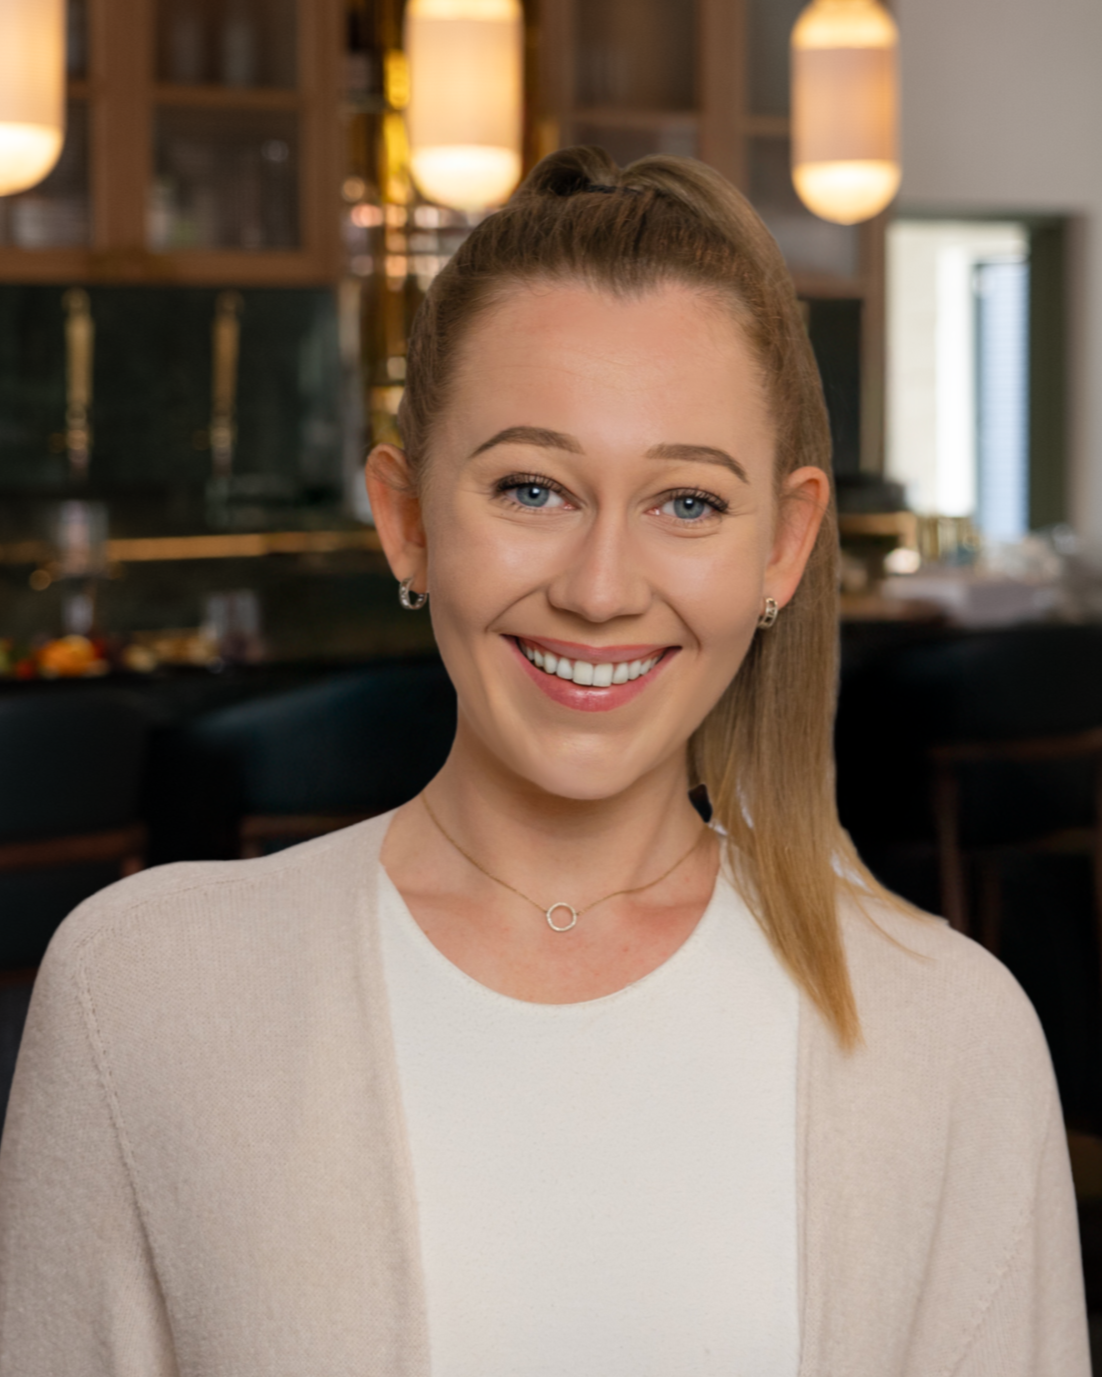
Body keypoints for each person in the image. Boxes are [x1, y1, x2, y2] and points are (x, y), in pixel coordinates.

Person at [0, 148, 1089, 1376]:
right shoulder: (144, 995)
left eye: (686, 503)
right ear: (406, 519)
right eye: (531, 488)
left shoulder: (949, 1036)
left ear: (783, 548)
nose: (600, 588)